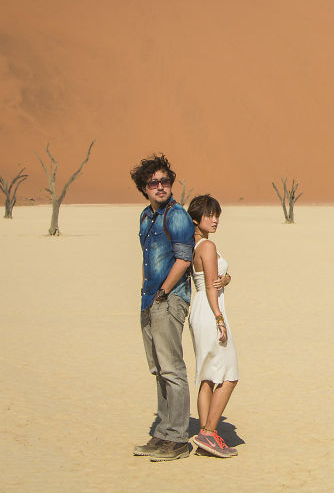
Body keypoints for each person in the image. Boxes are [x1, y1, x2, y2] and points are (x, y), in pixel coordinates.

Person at [130, 155, 195, 462]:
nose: (160, 187)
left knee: (172, 368)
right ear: (144, 187)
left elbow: (184, 259)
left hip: (169, 300)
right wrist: (148, 295)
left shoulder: (177, 215)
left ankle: (178, 438)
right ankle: (163, 432)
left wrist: (163, 292)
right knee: (158, 368)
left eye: (165, 181)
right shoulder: (146, 215)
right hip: (150, 298)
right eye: (153, 182)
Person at [187, 194, 239, 458]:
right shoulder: (207, 246)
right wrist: (219, 318)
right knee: (229, 375)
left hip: (201, 309)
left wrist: (226, 278)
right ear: (196, 220)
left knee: (208, 376)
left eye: (216, 214)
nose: (215, 219)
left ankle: (206, 434)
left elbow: (215, 279)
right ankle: (208, 432)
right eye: (209, 215)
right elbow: (210, 285)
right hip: (210, 311)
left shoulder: (198, 246)